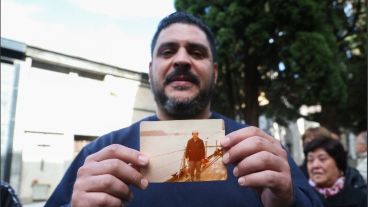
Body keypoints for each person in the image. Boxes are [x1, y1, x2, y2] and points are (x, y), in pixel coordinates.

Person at [45, 11, 324, 207]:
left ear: (214, 73)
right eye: (167, 51)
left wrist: (289, 202)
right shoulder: (100, 154)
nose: (181, 59)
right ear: (151, 70)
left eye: (196, 52)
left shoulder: (259, 149)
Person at [304, 137, 367, 207]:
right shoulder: (299, 199)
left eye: (322, 159)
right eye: (310, 160)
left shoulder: (359, 199)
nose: (315, 165)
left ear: (339, 163)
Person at [300, 126, 367, 191]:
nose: (316, 165)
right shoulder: (297, 176)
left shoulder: (351, 176)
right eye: (307, 144)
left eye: (322, 159)